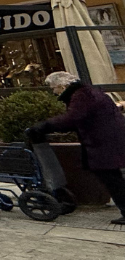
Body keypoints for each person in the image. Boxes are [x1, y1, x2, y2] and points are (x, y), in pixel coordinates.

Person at [27, 71, 125, 225]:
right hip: (109, 139)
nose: (54, 92)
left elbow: (71, 118)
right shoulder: (88, 91)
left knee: (111, 178)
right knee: (113, 177)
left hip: (102, 143)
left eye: (54, 88)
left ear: (63, 85)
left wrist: (44, 126)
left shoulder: (82, 95)